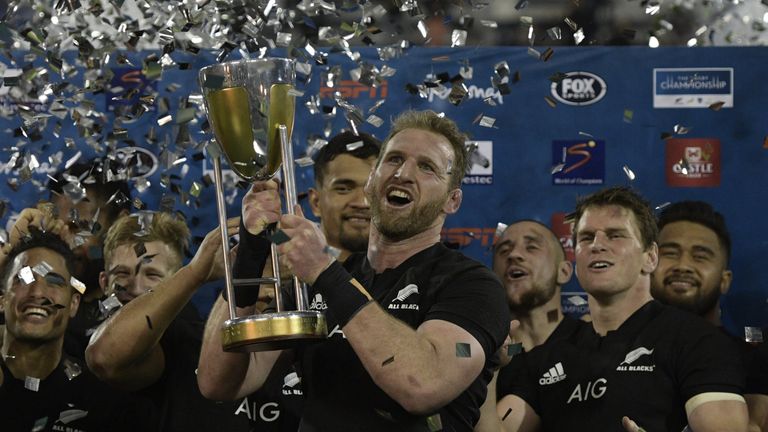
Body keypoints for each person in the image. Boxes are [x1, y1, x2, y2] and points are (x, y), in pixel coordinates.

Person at [197, 109, 510, 431]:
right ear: (372, 181)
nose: (403, 173)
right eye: (393, 159)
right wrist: (249, 257)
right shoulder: (314, 285)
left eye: (426, 167)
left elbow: (423, 384)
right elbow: (219, 383)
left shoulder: (473, 287)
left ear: (452, 200)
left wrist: (324, 270)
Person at [496, 186, 747, 432]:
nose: (597, 245)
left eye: (615, 235)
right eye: (586, 237)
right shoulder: (546, 357)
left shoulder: (697, 340)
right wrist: (490, 371)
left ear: (650, 257)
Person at [85, 212, 248, 432]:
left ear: (176, 285)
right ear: (104, 282)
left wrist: (195, 273)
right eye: (122, 273)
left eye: (152, 275)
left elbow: (106, 358)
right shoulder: (70, 334)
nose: (135, 287)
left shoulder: (188, 346)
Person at [0, 229, 145, 431]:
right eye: (24, 279)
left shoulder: (101, 402)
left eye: (55, 282)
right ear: (3, 299)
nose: (38, 293)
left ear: (74, 304)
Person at [651, 200, 768, 431]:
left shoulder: (755, 362)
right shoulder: (615, 348)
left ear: (725, 280)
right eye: (670, 253)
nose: (683, 265)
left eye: (700, 256)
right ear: (648, 264)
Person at [474, 220, 575, 432]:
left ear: (564, 271)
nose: (514, 255)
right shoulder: (474, 351)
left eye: (532, 247)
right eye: (504, 250)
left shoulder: (593, 342)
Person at [47, 158, 132, 358]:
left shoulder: (150, 305)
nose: (65, 240)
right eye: (57, 226)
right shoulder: (31, 301)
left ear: (120, 225)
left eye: (79, 228)